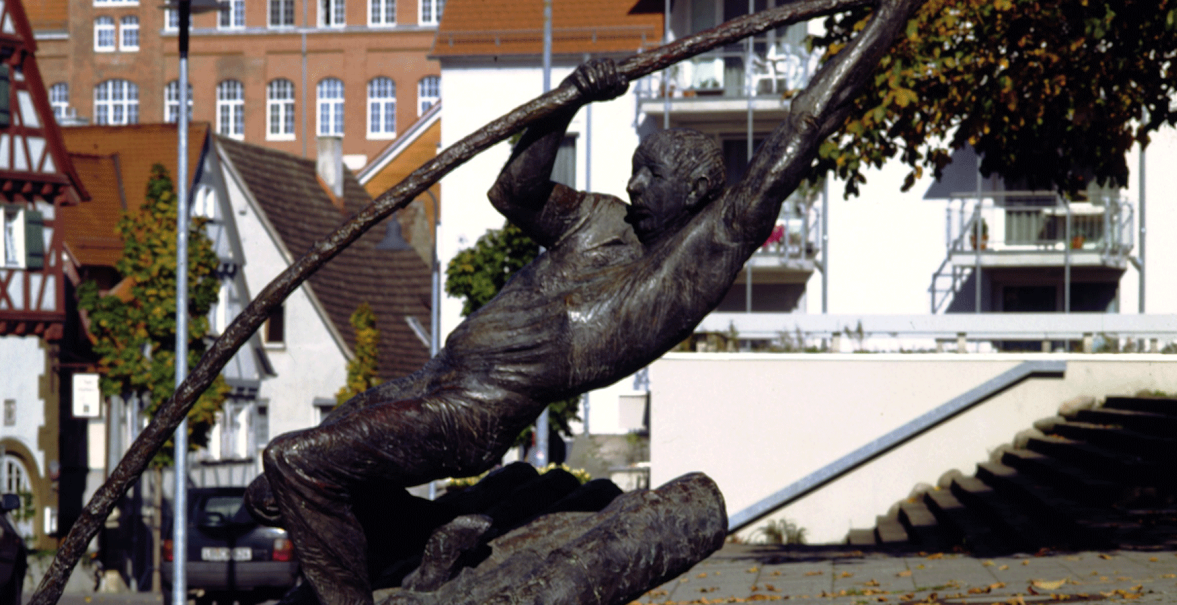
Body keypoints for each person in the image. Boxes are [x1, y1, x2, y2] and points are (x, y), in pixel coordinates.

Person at [251, 56, 818, 605]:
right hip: (431, 380)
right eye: (635, 168)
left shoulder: (681, 273)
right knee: (267, 497)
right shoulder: (603, 221)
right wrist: (568, 103)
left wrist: (887, 19)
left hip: (473, 412)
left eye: (654, 175)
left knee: (294, 463)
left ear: (695, 192)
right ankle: (427, 546)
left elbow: (800, 132)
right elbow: (514, 193)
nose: (635, 184)